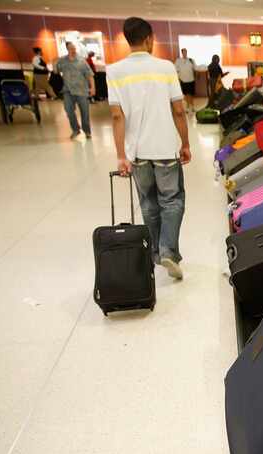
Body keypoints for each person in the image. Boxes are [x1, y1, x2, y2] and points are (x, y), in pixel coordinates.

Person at [108, 17, 190, 280]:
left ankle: (156, 253)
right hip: (165, 149)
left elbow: (117, 117)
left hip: (138, 153)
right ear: (149, 39)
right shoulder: (165, 67)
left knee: (148, 202)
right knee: (172, 200)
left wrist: (122, 155)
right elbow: (179, 110)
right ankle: (167, 250)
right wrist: (185, 143)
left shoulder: (114, 71)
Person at [55, 42, 95, 139]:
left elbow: (89, 75)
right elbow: (56, 71)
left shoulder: (82, 61)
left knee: (85, 112)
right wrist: (54, 63)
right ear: (67, 49)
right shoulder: (62, 61)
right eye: (70, 48)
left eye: (74, 48)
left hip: (82, 90)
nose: (73, 50)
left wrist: (93, 88)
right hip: (68, 90)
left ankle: (87, 131)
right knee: (68, 110)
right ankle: (76, 130)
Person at [174, 48, 196, 112]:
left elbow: (195, 67)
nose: (185, 53)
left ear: (187, 52)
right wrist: (179, 77)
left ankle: (192, 107)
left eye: (185, 52)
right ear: (182, 53)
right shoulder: (178, 60)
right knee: (186, 95)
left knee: (191, 94)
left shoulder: (191, 60)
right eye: (183, 52)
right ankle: (187, 107)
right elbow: (175, 69)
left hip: (191, 79)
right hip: (183, 80)